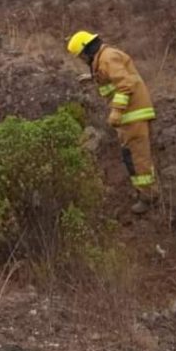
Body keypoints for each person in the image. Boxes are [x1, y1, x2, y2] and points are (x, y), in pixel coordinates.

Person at [67, 31, 157, 214]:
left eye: (81, 56)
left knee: (138, 158)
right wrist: (92, 78)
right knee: (130, 156)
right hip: (129, 117)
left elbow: (125, 85)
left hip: (134, 115)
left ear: (86, 50)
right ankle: (143, 193)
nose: (82, 60)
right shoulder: (103, 59)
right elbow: (112, 78)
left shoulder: (108, 58)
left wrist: (116, 110)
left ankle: (148, 198)